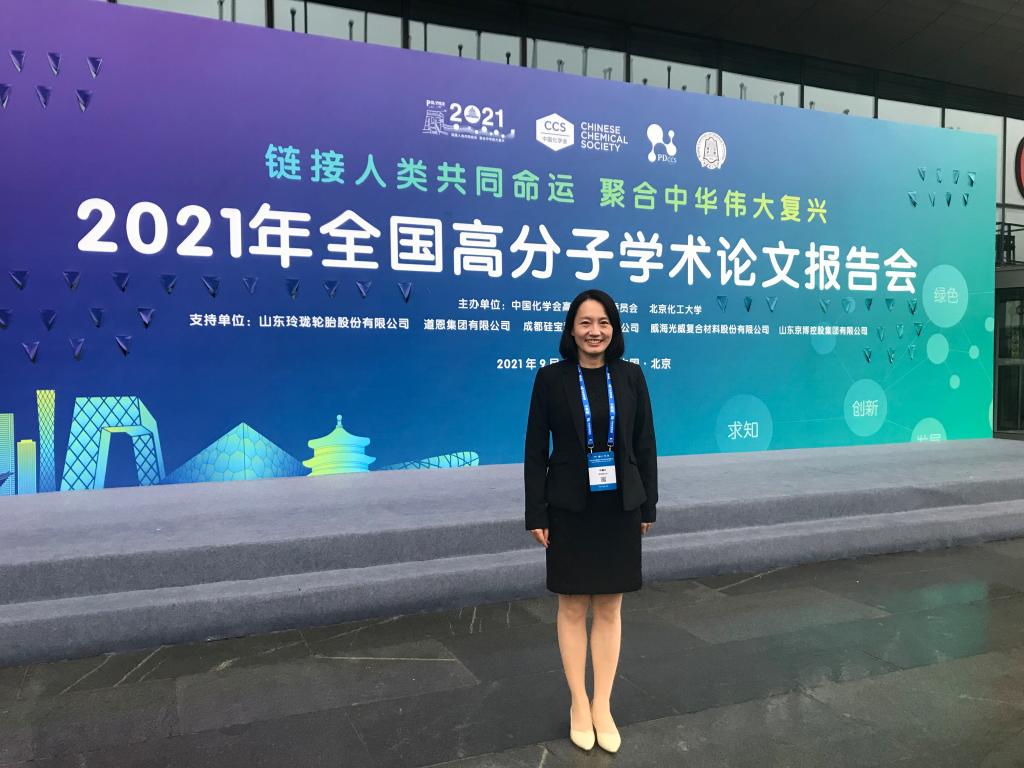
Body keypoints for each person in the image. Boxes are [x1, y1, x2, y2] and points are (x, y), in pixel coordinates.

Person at [523, 288, 658, 754]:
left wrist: (648, 505)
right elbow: (535, 449)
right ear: (571, 329)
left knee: (609, 608)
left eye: (603, 323)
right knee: (572, 606)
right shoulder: (550, 379)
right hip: (569, 507)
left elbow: (644, 444)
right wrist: (536, 511)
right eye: (585, 322)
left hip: (619, 506)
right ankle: (578, 703)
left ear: (614, 329)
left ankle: (603, 704)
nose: (594, 331)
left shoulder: (632, 376)